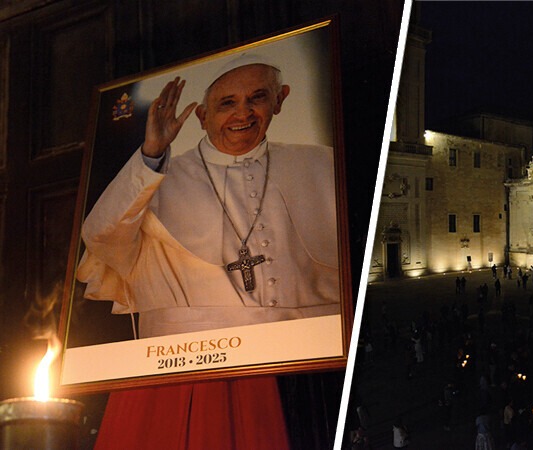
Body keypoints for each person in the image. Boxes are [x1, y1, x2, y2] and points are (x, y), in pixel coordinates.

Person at [77, 54, 340, 338]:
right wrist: (151, 155)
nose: (243, 113)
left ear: (279, 100)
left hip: (313, 344)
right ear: (203, 117)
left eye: (257, 98)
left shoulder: (321, 163)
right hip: (198, 349)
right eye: (227, 103)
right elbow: (102, 236)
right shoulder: (156, 180)